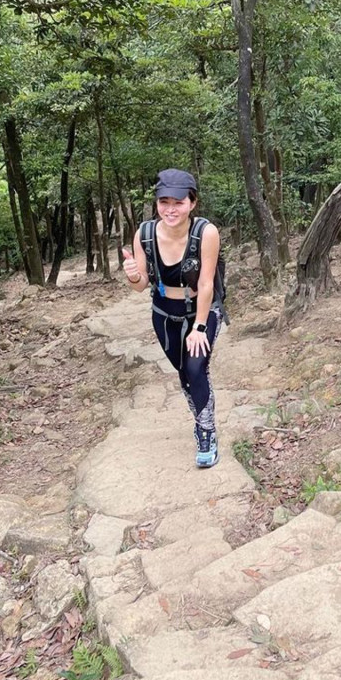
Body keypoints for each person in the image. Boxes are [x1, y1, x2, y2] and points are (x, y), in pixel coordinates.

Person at [122, 169, 223, 468]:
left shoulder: (206, 233)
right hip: (165, 314)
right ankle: (200, 420)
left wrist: (200, 327)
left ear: (192, 203)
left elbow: (206, 284)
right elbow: (141, 285)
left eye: (178, 202)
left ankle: (207, 432)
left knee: (195, 368)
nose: (170, 209)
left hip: (201, 311)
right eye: (163, 201)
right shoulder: (145, 234)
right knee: (183, 373)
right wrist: (133, 276)